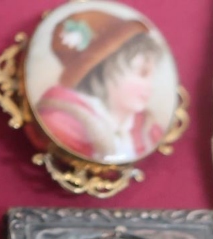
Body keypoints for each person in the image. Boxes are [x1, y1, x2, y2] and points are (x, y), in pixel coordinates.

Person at [35, 10, 167, 164]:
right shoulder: (60, 123)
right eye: (142, 73)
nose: (150, 86)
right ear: (105, 72)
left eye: (151, 75)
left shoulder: (147, 129)